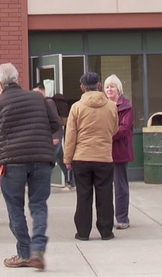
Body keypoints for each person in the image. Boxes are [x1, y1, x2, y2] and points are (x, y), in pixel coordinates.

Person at [0, 63, 61, 271]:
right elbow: (56, 125)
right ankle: (37, 249)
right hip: (40, 158)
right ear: (17, 78)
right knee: (38, 205)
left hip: (12, 162)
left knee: (15, 208)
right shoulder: (39, 98)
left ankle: (24, 253)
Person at [63, 72, 118, 242]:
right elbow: (114, 129)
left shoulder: (77, 107)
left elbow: (71, 135)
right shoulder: (111, 106)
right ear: (99, 86)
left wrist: (67, 158)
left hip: (82, 157)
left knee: (83, 195)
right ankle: (106, 231)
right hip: (103, 157)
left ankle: (83, 232)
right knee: (105, 194)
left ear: (82, 87)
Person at [104, 74, 134, 230]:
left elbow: (123, 129)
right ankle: (106, 219)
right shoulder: (102, 106)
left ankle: (122, 218)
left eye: (112, 86)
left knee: (120, 187)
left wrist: (105, 135)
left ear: (118, 89)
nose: (109, 89)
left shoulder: (126, 107)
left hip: (119, 152)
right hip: (102, 152)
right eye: (107, 87)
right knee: (104, 188)